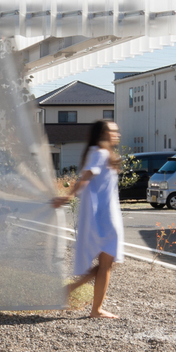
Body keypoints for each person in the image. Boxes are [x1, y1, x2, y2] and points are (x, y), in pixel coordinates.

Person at [50, 119, 125, 318]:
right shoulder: (99, 153)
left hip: (105, 215)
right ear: (103, 134)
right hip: (104, 218)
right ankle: (95, 309)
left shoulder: (103, 154)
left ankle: (72, 292)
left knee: (106, 264)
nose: (116, 134)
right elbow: (86, 176)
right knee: (107, 263)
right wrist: (67, 196)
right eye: (112, 131)